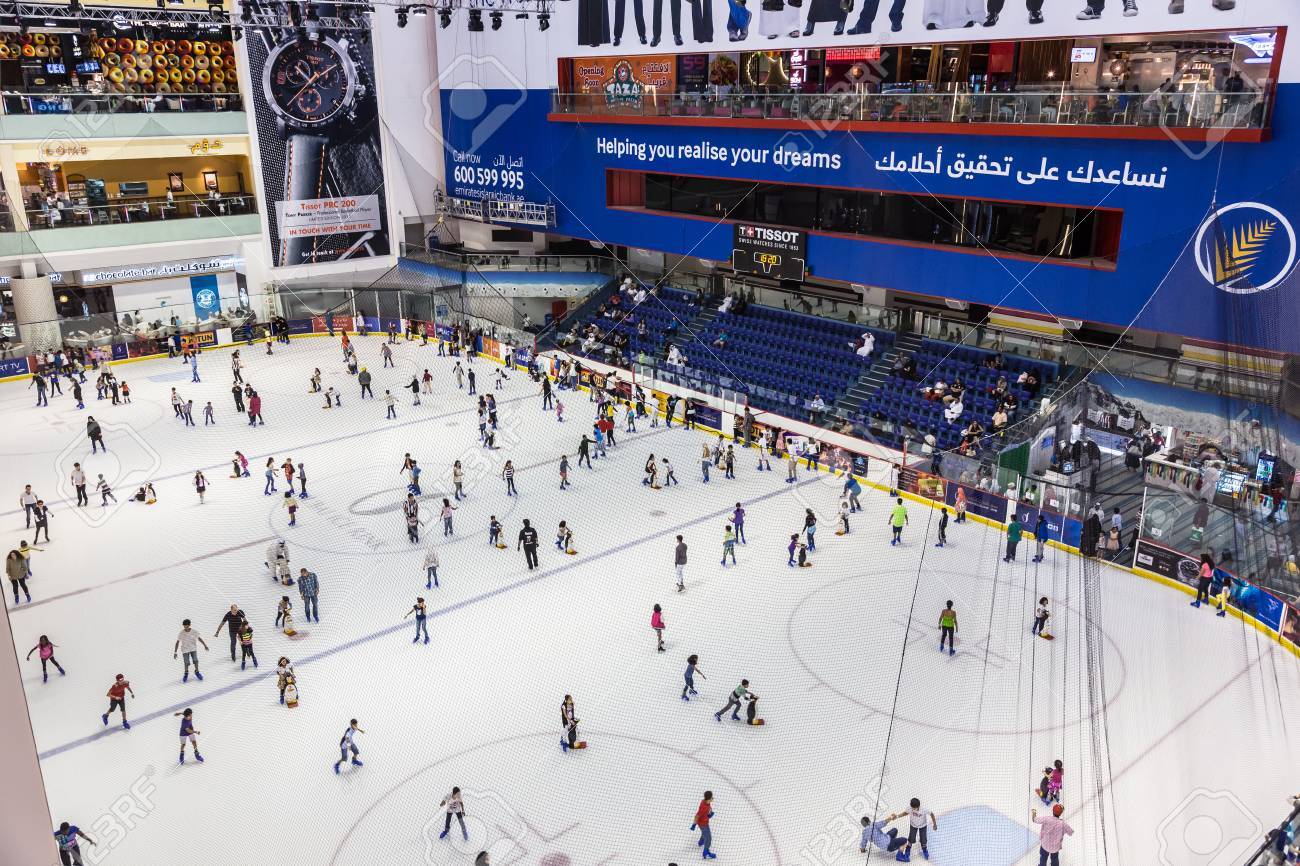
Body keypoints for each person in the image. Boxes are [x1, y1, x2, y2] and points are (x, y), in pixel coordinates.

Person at [692, 791, 717, 860]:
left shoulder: (705, 802)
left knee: (705, 833)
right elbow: (697, 815)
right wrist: (694, 824)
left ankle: (701, 842)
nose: (712, 798)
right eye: (712, 797)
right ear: (709, 799)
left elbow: (705, 812)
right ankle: (706, 851)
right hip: (703, 824)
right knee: (708, 838)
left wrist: (709, 815)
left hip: (704, 822)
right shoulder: (704, 807)